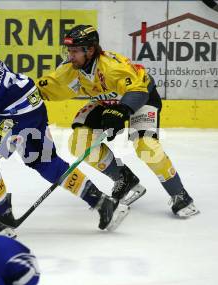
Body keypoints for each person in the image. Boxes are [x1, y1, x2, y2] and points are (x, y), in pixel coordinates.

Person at [0, 30, 130, 236]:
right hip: (30, 102)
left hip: (15, 113)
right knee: (45, 162)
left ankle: (3, 219)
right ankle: (103, 203)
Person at [36, 24, 199, 217]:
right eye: (69, 51)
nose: (70, 56)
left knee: (146, 146)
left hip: (140, 97)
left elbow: (138, 89)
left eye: (75, 51)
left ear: (90, 50)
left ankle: (179, 194)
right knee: (80, 143)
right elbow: (44, 88)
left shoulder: (111, 66)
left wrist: (122, 110)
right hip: (106, 103)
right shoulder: (70, 69)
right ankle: (124, 178)